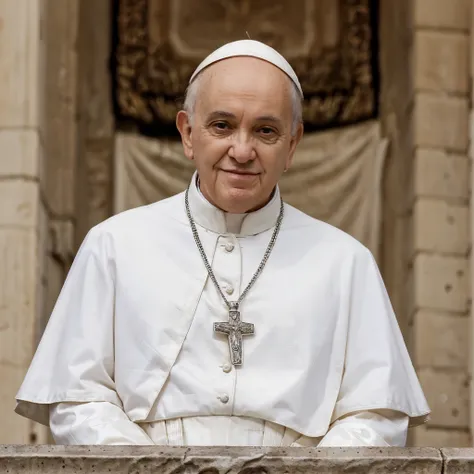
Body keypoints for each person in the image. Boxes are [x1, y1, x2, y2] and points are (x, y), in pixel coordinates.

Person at [15, 40, 429, 447]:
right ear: (188, 133)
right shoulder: (113, 246)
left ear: (293, 145)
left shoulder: (345, 262)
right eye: (222, 126)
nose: (242, 150)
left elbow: (375, 413)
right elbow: (77, 397)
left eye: (266, 131)